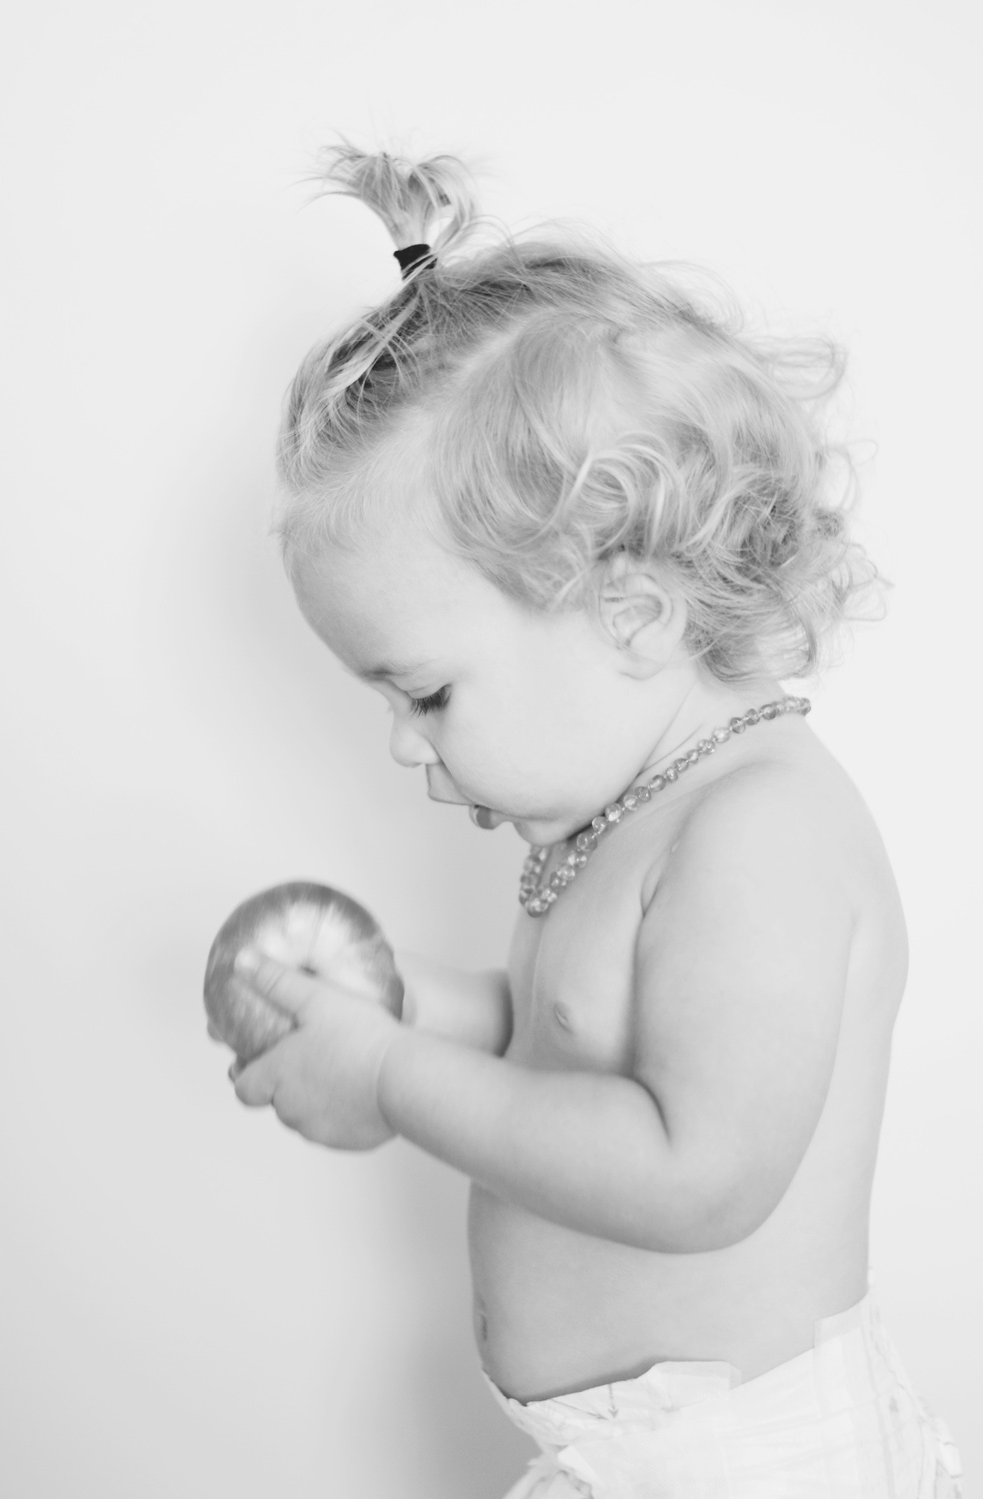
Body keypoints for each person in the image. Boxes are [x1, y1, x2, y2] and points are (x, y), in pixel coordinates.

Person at [229, 144, 963, 1496]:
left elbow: (697, 1172)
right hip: (627, 1461)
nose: (404, 742)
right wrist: (394, 1006)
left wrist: (392, 1083)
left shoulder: (761, 834)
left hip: (749, 1468)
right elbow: (569, 1049)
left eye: (428, 692)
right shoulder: (613, 815)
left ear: (627, 613)